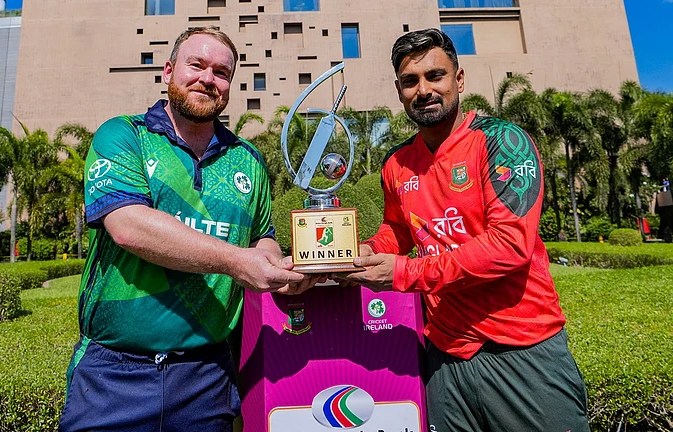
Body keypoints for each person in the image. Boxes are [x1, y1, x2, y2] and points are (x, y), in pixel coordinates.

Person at [59, 27, 315, 432]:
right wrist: (237, 262)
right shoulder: (125, 135)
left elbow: (261, 236)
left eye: (222, 72)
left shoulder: (247, 160)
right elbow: (126, 224)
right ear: (168, 71)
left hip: (207, 376)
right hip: (113, 375)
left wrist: (276, 269)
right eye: (196, 65)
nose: (208, 79)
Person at [337, 29, 590, 432]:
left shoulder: (502, 141)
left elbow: (509, 247)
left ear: (459, 79)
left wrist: (401, 272)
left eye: (435, 76)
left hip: (522, 349)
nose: (423, 90)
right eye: (410, 81)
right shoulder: (396, 163)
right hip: (445, 355)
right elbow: (398, 232)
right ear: (399, 91)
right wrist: (358, 251)